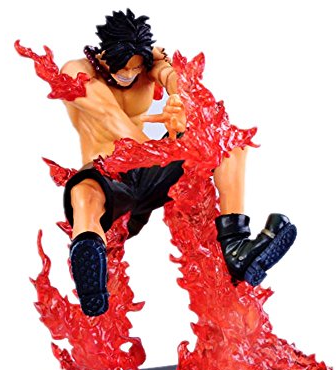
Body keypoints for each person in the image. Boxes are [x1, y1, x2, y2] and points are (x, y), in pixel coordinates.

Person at [61, 9, 296, 316]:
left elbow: (177, 81)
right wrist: (162, 147)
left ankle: (235, 247)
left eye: (136, 68)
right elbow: (111, 118)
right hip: (109, 172)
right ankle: (90, 264)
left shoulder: (148, 62)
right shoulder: (77, 72)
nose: (130, 74)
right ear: (105, 55)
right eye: (124, 68)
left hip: (149, 170)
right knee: (85, 193)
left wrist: (178, 98)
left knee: (224, 140)